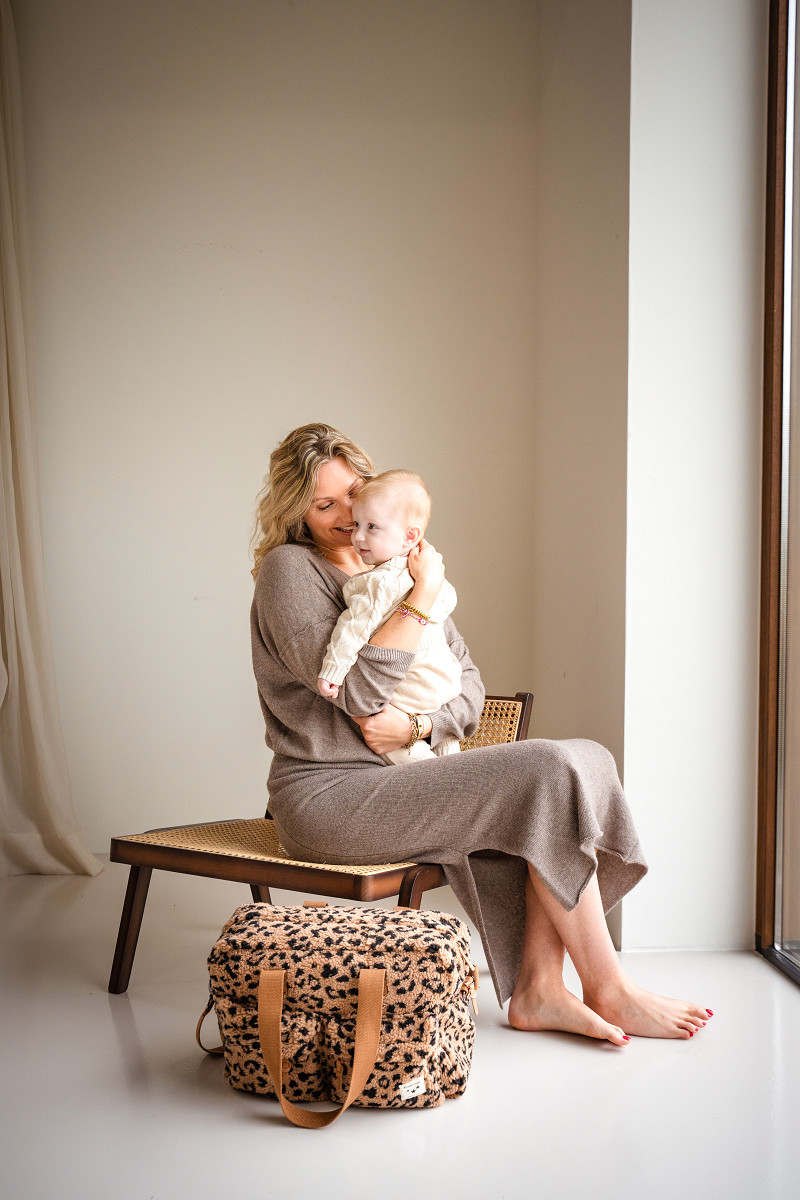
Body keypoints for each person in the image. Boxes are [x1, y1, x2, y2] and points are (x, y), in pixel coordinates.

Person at [250, 422, 713, 1044]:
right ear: (297, 511)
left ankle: (540, 988)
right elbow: (358, 694)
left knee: (586, 757)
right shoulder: (290, 571)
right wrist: (422, 597)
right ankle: (608, 986)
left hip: (408, 769)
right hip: (331, 796)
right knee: (546, 769)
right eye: (323, 505)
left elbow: (468, 686)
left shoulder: (396, 559)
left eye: (351, 495)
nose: (344, 516)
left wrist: (418, 724)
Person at [317, 469, 462, 764]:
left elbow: (353, 629)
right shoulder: (427, 572)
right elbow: (447, 603)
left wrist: (333, 670)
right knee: (447, 747)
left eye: (372, 527)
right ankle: (452, 761)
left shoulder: (375, 583)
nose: (358, 535)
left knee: (382, 722)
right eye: (358, 524)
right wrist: (426, 585)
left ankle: (432, 770)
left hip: (412, 682)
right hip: (447, 678)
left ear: (410, 536)